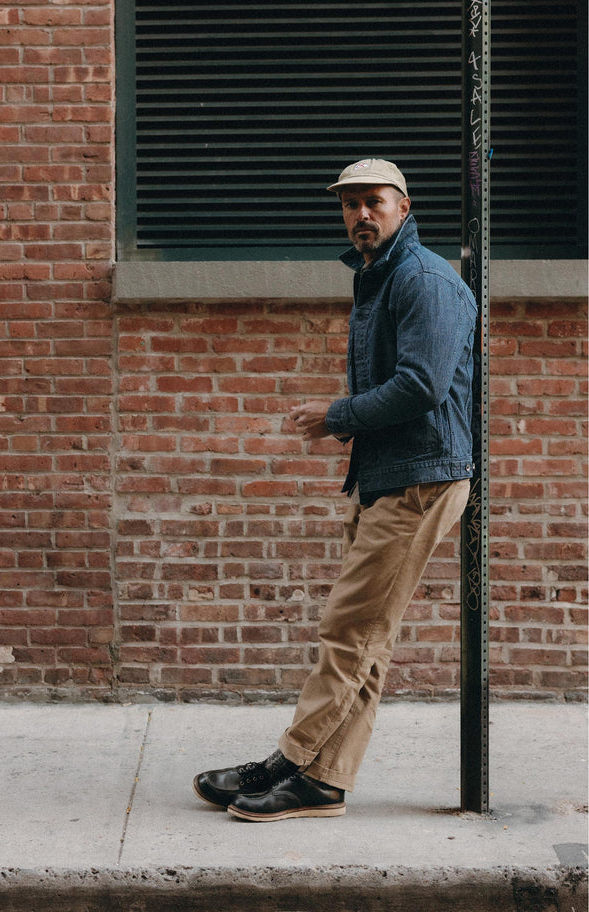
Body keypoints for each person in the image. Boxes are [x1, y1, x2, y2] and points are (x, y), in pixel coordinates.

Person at [193, 158, 477, 822]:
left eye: (372, 202)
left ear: (403, 208)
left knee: (348, 631)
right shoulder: (382, 279)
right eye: (349, 205)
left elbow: (421, 386)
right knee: (365, 638)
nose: (359, 215)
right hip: (388, 477)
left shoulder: (423, 280)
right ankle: (321, 778)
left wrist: (336, 417)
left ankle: (292, 763)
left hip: (420, 480)